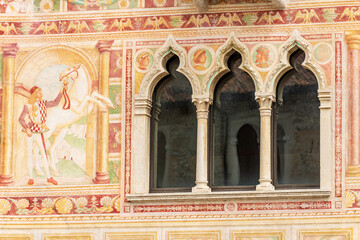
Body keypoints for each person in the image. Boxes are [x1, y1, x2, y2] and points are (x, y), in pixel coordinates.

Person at [18, 85, 67, 185]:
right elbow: (21, 119)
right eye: (38, 91)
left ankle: (49, 177)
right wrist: (27, 129)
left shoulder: (43, 103)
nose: (41, 93)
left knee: (44, 154)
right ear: (34, 94)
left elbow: (55, 103)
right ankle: (31, 178)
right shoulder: (27, 106)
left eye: (40, 91)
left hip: (39, 131)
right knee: (29, 154)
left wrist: (61, 91)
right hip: (30, 132)